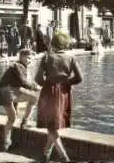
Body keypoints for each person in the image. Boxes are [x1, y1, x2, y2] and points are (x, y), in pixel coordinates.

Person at [34, 32, 82, 163]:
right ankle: (45, 154)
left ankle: (63, 156)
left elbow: (37, 78)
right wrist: (66, 82)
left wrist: (48, 84)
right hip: (65, 93)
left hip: (49, 92)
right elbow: (79, 78)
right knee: (54, 124)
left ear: (53, 43)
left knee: (50, 125)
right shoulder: (71, 58)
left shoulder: (47, 57)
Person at [0, 49, 41, 151]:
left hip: (4, 92)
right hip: (8, 92)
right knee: (35, 97)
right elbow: (23, 82)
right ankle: (25, 122)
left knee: (12, 118)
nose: (30, 61)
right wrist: (36, 87)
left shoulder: (18, 66)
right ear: (21, 57)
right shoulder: (19, 66)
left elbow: (19, 84)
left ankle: (6, 143)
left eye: (32, 59)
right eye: (28, 58)